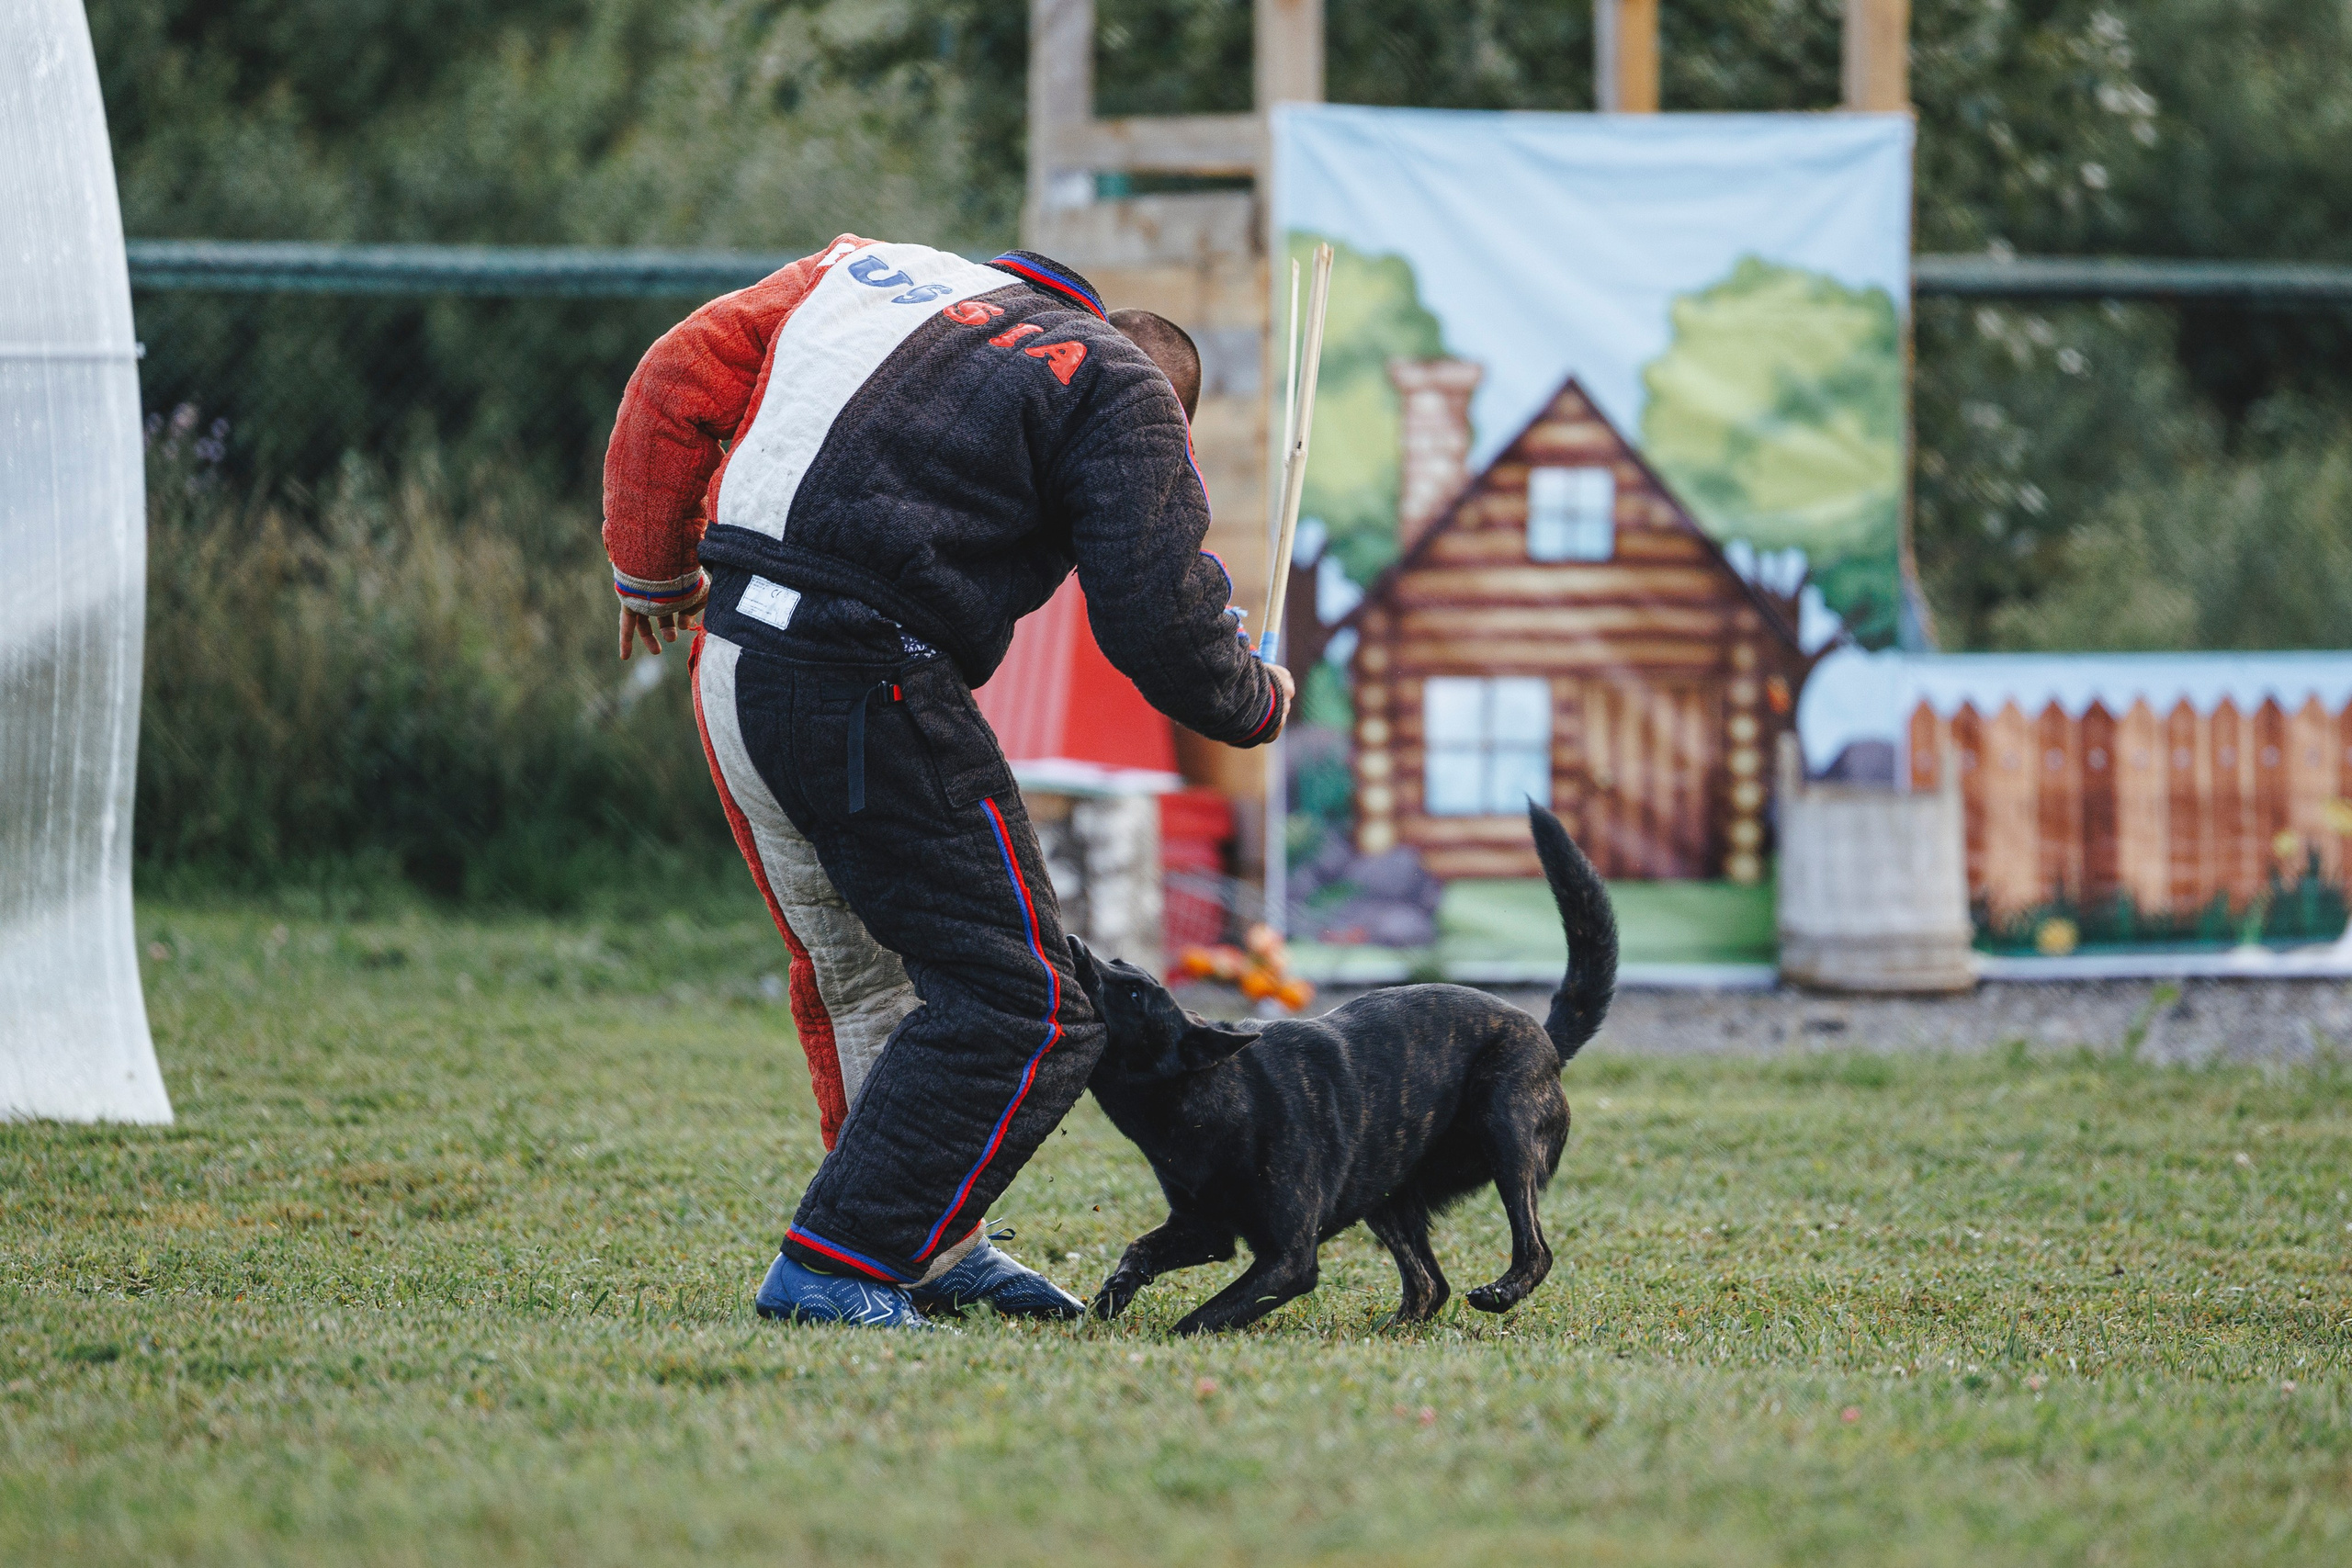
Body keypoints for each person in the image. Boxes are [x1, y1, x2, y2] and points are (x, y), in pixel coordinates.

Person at [601, 237, 1294, 1326]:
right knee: (1029, 998)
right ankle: (840, 1264)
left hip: (732, 662)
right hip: (865, 677)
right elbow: (1155, 614)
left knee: (866, 979)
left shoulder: (864, 269)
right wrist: (1252, 697)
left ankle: (931, 1246)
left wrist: (652, 566)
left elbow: (677, 373)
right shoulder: (1118, 383)